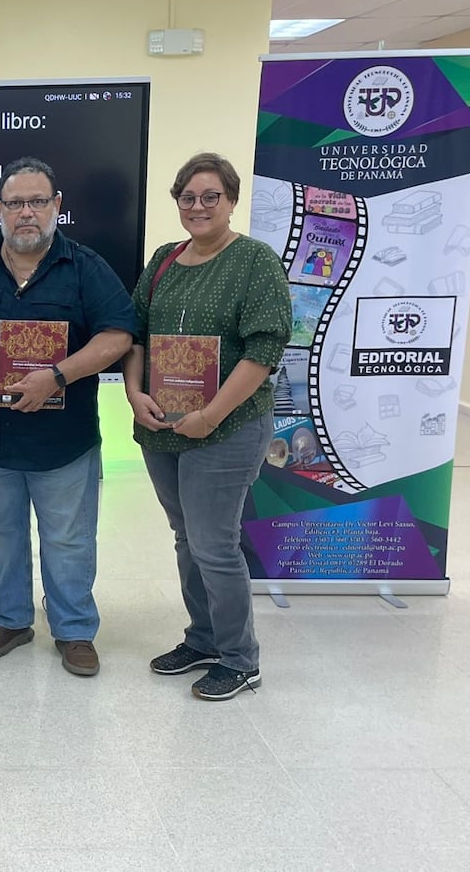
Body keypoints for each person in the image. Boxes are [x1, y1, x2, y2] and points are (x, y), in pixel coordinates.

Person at [122, 152, 290, 701]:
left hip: (228, 426)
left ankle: (241, 659)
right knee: (186, 537)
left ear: (231, 201)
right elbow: (136, 334)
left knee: (215, 544)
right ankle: (204, 639)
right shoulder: (164, 260)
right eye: (187, 197)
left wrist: (210, 415)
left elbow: (265, 349)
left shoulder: (254, 261)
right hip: (162, 425)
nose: (197, 206)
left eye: (209, 196)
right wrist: (134, 393)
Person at [0, 157, 135, 678]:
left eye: (38, 201)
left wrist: (56, 376)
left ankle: (75, 629)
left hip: (65, 439)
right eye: (15, 203)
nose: (27, 213)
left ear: (57, 206)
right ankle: (11, 619)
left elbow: (118, 335)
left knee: (68, 538)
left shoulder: (85, 267)